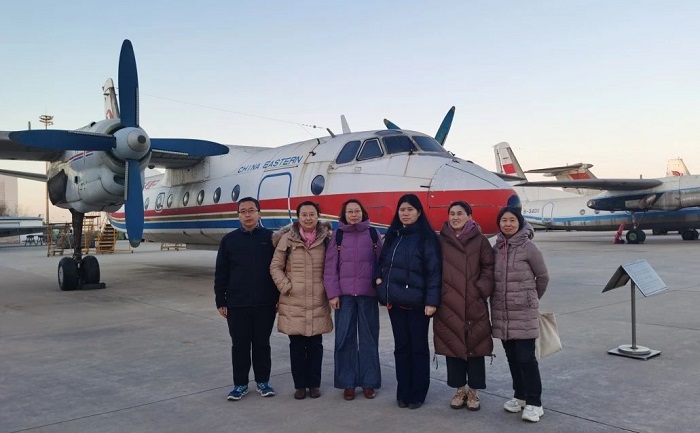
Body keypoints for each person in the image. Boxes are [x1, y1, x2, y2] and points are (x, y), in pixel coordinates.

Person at [374, 193, 441, 409]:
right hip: (395, 304)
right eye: (402, 209)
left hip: (418, 305)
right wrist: (380, 286)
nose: (405, 213)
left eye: (410, 209)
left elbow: (434, 272)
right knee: (401, 348)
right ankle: (403, 391)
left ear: (419, 212)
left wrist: (432, 302)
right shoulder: (393, 236)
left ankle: (417, 394)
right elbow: (382, 263)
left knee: (418, 348)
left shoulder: (427, 238)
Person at [214, 197, 279, 401]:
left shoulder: (271, 238)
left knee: (262, 344)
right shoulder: (229, 240)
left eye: (252, 210)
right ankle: (240, 384)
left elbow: (279, 269)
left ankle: (263, 382)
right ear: (238, 215)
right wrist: (220, 300)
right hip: (237, 303)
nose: (248, 215)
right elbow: (221, 272)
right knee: (240, 345)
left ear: (259, 213)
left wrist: (279, 297)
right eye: (243, 211)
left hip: (265, 303)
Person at [433, 201, 494, 411]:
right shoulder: (440, 240)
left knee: (476, 347)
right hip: (448, 302)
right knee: (453, 345)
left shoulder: (481, 240)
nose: (455, 217)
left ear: (469, 216)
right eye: (452, 213)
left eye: (460, 213)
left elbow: (488, 267)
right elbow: (433, 268)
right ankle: (459, 389)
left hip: (473, 302)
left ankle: (474, 391)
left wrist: (480, 289)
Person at [270, 201, 333, 400]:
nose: (308, 218)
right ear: (298, 217)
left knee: (316, 345)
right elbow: (275, 266)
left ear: (317, 216)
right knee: (296, 346)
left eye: (312, 214)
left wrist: (328, 289)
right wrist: (285, 286)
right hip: (293, 301)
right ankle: (299, 385)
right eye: (304, 214)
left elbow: (332, 267)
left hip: (317, 300)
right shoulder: (287, 239)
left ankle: (314, 384)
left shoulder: (326, 239)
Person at [492, 206, 549, 422]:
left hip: (523, 312)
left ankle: (535, 402)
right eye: (504, 220)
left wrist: (531, 299)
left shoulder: (529, 247)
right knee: (512, 358)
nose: (508, 224)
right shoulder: (497, 248)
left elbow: (542, 277)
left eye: (512, 220)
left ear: (520, 223)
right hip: (502, 313)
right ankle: (520, 396)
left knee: (526, 358)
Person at [323, 199, 383, 401]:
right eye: (350, 212)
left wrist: (380, 288)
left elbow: (382, 262)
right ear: (344, 215)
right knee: (344, 339)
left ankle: (369, 382)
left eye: (357, 211)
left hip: (368, 295)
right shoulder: (338, 235)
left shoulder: (373, 234)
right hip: (345, 297)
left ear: (363, 213)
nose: (354, 215)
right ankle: (347, 383)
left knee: (369, 340)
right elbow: (330, 267)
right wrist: (333, 294)